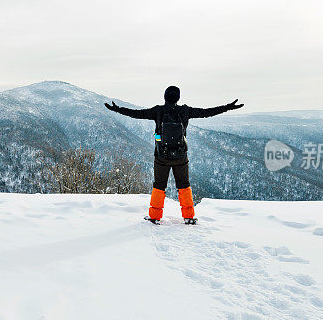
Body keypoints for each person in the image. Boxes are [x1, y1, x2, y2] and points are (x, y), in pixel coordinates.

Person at [104, 86, 244, 224]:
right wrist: (227, 107)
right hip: (180, 156)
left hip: (161, 156)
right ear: (178, 97)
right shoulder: (185, 111)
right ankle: (189, 216)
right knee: (184, 185)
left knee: (159, 186)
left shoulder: (158, 111)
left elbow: (136, 114)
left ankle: (155, 216)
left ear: (165, 97)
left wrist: (117, 109)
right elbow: (207, 112)